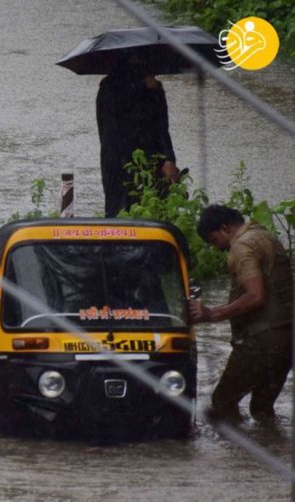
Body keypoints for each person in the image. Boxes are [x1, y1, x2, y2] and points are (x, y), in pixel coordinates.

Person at [189, 205, 293, 422]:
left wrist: (212, 314)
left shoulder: (242, 246)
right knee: (262, 409)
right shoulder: (267, 237)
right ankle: (271, 451)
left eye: (213, 240)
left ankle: (236, 454)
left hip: (261, 342)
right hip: (287, 341)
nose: (216, 248)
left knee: (221, 404)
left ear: (225, 228)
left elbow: (256, 296)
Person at [96, 55, 180, 217]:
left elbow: (161, 127)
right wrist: (151, 91)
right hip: (119, 160)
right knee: (121, 207)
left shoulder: (150, 88)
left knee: (153, 207)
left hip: (149, 160)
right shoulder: (111, 88)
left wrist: (169, 159)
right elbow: (118, 127)